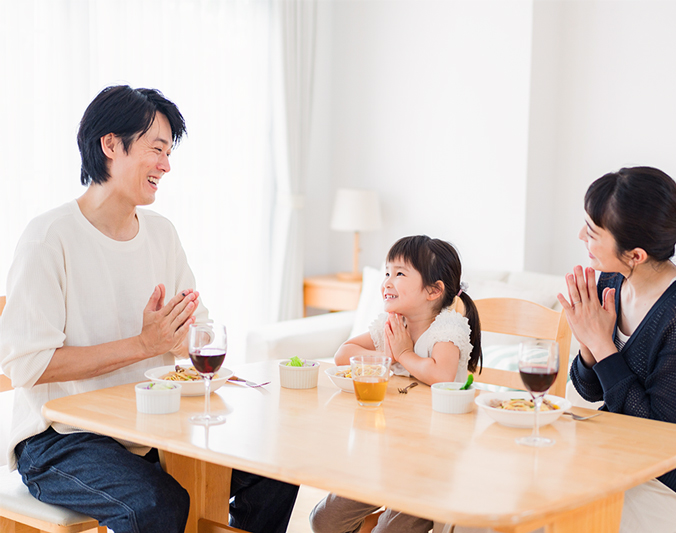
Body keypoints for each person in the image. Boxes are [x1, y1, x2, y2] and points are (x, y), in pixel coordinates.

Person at [0, 85, 298, 533]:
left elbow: (198, 331)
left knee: (276, 466)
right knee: (157, 504)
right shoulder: (49, 238)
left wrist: (180, 339)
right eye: (156, 149)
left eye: (169, 152)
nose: (166, 164)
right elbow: (26, 366)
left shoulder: (161, 233)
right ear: (110, 145)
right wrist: (144, 345)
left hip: (146, 427)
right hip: (58, 439)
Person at [557, 166, 676, 533]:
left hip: (669, 485)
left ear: (636, 255)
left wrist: (603, 346)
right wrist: (588, 348)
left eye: (592, 232)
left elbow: (659, 433)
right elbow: (589, 395)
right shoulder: (612, 281)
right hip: (613, 459)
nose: (581, 236)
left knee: (552, 519)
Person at [311, 235, 482, 533]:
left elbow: (441, 374)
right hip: (387, 453)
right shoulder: (391, 324)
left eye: (400, 273)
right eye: (387, 272)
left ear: (433, 290)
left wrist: (404, 354)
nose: (387, 282)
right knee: (324, 520)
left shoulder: (447, 327)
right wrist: (387, 357)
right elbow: (343, 354)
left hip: (433, 467)